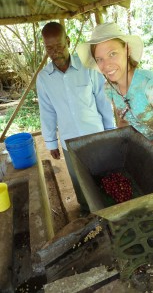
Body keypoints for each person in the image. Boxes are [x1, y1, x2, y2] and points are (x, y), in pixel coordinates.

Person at [77, 22, 153, 163]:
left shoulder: (149, 84)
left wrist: (147, 153)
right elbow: (122, 122)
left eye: (112, 54)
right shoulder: (110, 89)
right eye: (99, 59)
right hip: (138, 154)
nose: (106, 65)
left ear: (127, 50)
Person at [36, 22, 114, 214]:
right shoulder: (44, 78)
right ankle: (87, 211)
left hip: (95, 135)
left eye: (59, 45)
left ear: (68, 41)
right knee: (78, 179)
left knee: (102, 174)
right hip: (69, 141)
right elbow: (47, 111)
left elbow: (102, 101)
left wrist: (110, 132)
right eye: (49, 48)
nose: (55, 52)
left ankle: (107, 208)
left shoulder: (89, 68)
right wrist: (51, 143)